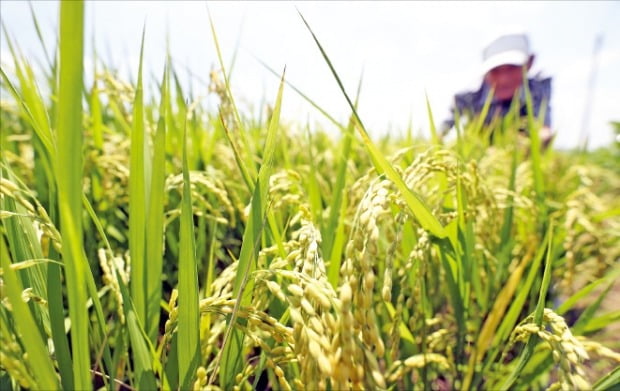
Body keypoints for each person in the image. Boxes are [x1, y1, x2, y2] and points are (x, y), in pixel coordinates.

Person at [441, 30, 554, 146]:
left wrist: (537, 142)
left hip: (521, 152)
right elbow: (441, 132)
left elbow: (543, 128)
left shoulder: (537, 88)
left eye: (512, 68)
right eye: (495, 70)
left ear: (529, 63)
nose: (503, 79)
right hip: (479, 153)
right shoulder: (468, 96)